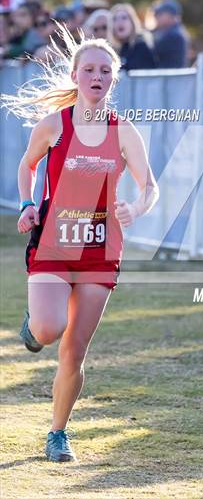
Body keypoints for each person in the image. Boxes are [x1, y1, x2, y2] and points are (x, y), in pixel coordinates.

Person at [3, 25, 159, 462]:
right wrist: (27, 204)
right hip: (53, 242)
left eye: (105, 70)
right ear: (75, 76)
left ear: (114, 78)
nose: (97, 76)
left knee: (75, 349)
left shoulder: (124, 131)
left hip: (100, 250)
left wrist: (138, 208)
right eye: (89, 69)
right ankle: (33, 327)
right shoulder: (54, 124)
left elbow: (150, 187)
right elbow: (27, 166)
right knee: (50, 330)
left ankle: (58, 433)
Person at [110, 3, 156, 71]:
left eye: (124, 18)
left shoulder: (141, 46)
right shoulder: (113, 50)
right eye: (115, 19)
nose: (120, 22)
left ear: (132, 23)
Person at [152, 0, 189, 68]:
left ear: (171, 15)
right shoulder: (174, 31)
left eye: (160, 14)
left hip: (171, 78)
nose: (156, 17)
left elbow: (151, 53)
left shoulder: (174, 35)